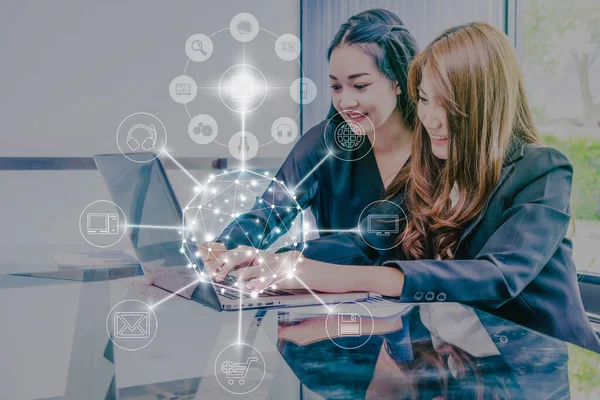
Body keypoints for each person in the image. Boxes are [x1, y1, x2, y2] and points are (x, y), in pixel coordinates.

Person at [211, 22, 600, 353]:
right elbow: (367, 243)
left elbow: (497, 276)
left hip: (534, 361)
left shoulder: (543, 170)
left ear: (484, 106)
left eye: (448, 104)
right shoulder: (431, 165)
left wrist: (355, 276)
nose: (430, 119)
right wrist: (273, 261)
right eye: (426, 100)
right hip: (461, 359)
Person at [200, 8, 418, 269]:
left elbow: (368, 244)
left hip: (415, 303)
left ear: (398, 80)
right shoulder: (323, 144)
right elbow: (270, 212)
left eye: (360, 85)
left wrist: (280, 258)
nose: (345, 102)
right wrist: (225, 245)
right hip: (333, 304)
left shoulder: (435, 149)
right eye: (336, 86)